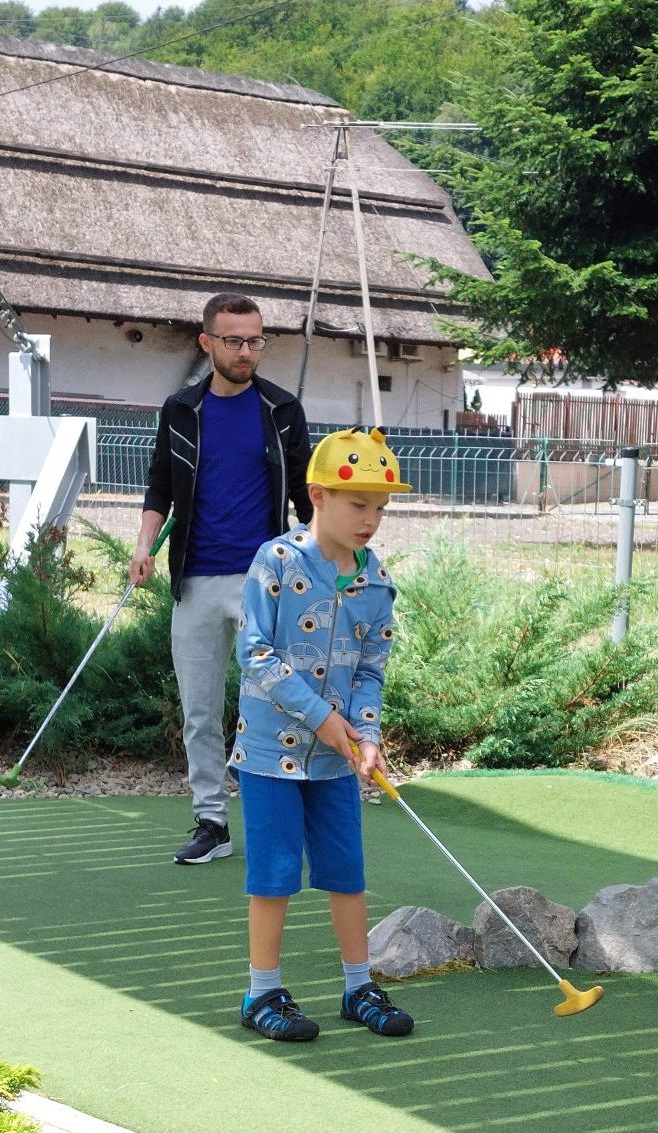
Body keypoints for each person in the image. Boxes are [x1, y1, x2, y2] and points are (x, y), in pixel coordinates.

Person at [232, 426, 413, 1043]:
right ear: (318, 495)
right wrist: (321, 717)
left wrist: (367, 734)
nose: (371, 520)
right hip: (269, 753)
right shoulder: (277, 561)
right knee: (274, 873)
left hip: (338, 759)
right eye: (358, 504)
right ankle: (262, 992)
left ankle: (359, 986)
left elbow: (370, 671)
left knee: (345, 871)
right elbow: (254, 652)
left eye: (380, 508)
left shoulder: (376, 581)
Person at [129, 292, 312, 865]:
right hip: (196, 581)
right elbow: (160, 485)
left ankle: (282, 815)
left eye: (256, 340)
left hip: (266, 582)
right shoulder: (182, 409)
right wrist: (143, 546)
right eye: (234, 341)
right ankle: (212, 821)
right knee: (200, 712)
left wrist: (329, 559)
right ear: (206, 342)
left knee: (279, 705)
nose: (246, 351)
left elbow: (307, 496)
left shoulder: (282, 409)